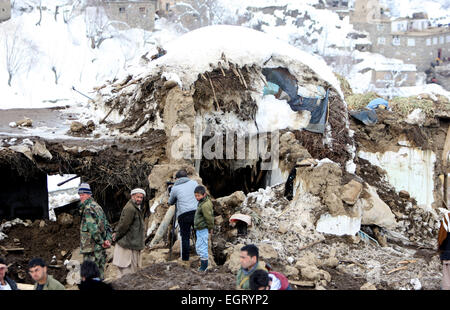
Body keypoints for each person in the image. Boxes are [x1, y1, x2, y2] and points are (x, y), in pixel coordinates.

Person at [78, 182, 112, 279]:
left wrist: (101, 242)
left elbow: (93, 229)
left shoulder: (88, 209)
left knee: (89, 276)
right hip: (99, 248)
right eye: (80, 195)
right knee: (99, 274)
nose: (81, 197)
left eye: (83, 195)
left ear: (89, 194)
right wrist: (107, 240)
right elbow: (107, 225)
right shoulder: (98, 207)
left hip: (91, 249)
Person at [112, 188, 146, 277]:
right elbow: (124, 225)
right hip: (128, 243)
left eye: (141, 198)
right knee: (127, 269)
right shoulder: (130, 208)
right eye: (137, 197)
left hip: (132, 242)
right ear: (132, 196)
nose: (139, 199)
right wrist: (117, 236)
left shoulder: (135, 207)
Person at [168, 169, 199, 264]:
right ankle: (201, 256)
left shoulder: (175, 188)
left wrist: (170, 191)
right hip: (196, 213)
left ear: (177, 178)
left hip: (184, 215)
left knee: (185, 237)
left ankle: (185, 259)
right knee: (198, 234)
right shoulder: (194, 183)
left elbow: (170, 202)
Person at [193, 185, 214, 272]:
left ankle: (204, 266)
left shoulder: (205, 205)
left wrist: (210, 228)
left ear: (204, 194)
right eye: (196, 196)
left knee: (202, 247)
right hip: (200, 228)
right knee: (199, 246)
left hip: (203, 228)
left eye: (198, 196)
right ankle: (202, 263)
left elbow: (209, 218)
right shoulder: (202, 202)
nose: (197, 197)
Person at [438, 209, 450, 290]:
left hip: (448, 254)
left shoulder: (447, 217)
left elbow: (442, 237)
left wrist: (441, 250)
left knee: (447, 283)